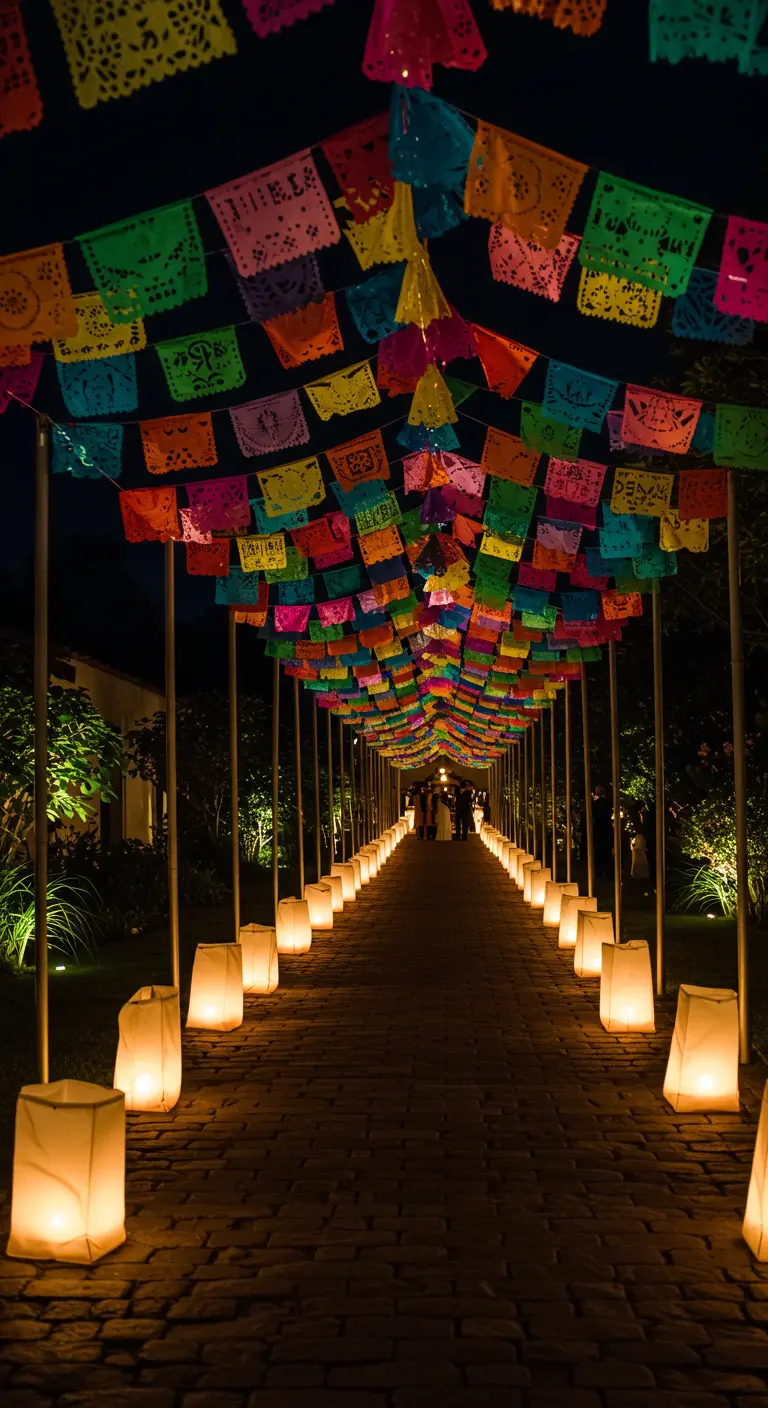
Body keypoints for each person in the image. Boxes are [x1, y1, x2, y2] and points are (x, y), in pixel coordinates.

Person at [592, 785, 613, 879]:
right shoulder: (608, 802)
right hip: (606, 829)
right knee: (607, 851)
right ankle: (608, 872)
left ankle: (599, 872)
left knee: (599, 852)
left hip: (599, 829)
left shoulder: (596, 804)